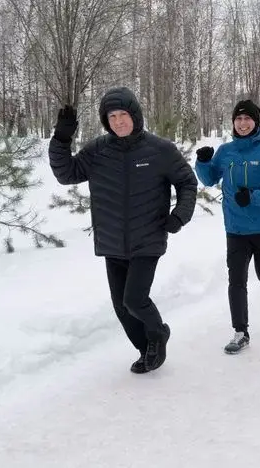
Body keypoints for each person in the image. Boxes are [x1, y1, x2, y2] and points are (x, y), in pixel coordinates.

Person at [48, 87, 198, 374]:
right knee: (121, 307)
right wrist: (62, 139)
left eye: (123, 114)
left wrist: (179, 215)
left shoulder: (160, 150)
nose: (118, 121)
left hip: (148, 238)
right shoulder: (98, 151)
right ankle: (147, 348)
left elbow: (187, 183)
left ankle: (158, 335)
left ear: (135, 115)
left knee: (134, 299)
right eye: (112, 116)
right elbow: (66, 174)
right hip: (112, 241)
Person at [195, 99, 260, 354]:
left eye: (247, 119)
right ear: (233, 122)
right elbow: (209, 180)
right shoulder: (226, 151)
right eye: (238, 119)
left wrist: (254, 197)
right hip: (236, 228)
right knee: (236, 280)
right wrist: (204, 162)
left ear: (256, 122)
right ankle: (241, 332)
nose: (242, 124)